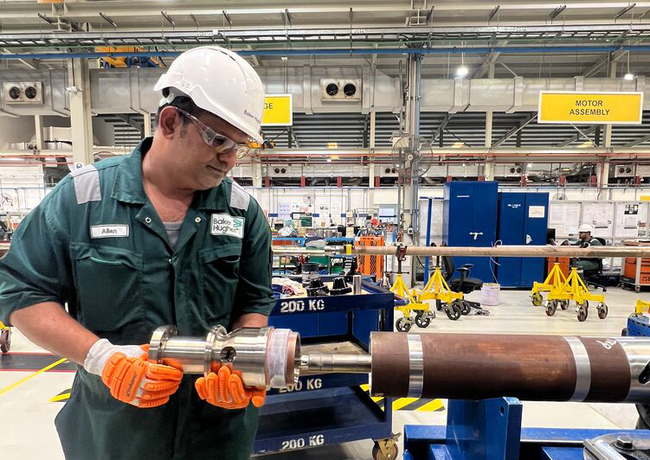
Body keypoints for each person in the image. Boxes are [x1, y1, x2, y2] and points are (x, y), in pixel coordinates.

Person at [0, 46, 275, 460]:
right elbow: (21, 295)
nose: (230, 159)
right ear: (169, 122)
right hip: (115, 433)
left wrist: (244, 364)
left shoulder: (242, 212)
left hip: (214, 434)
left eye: (241, 146)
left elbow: (253, 302)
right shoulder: (80, 199)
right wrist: (103, 360)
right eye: (219, 139)